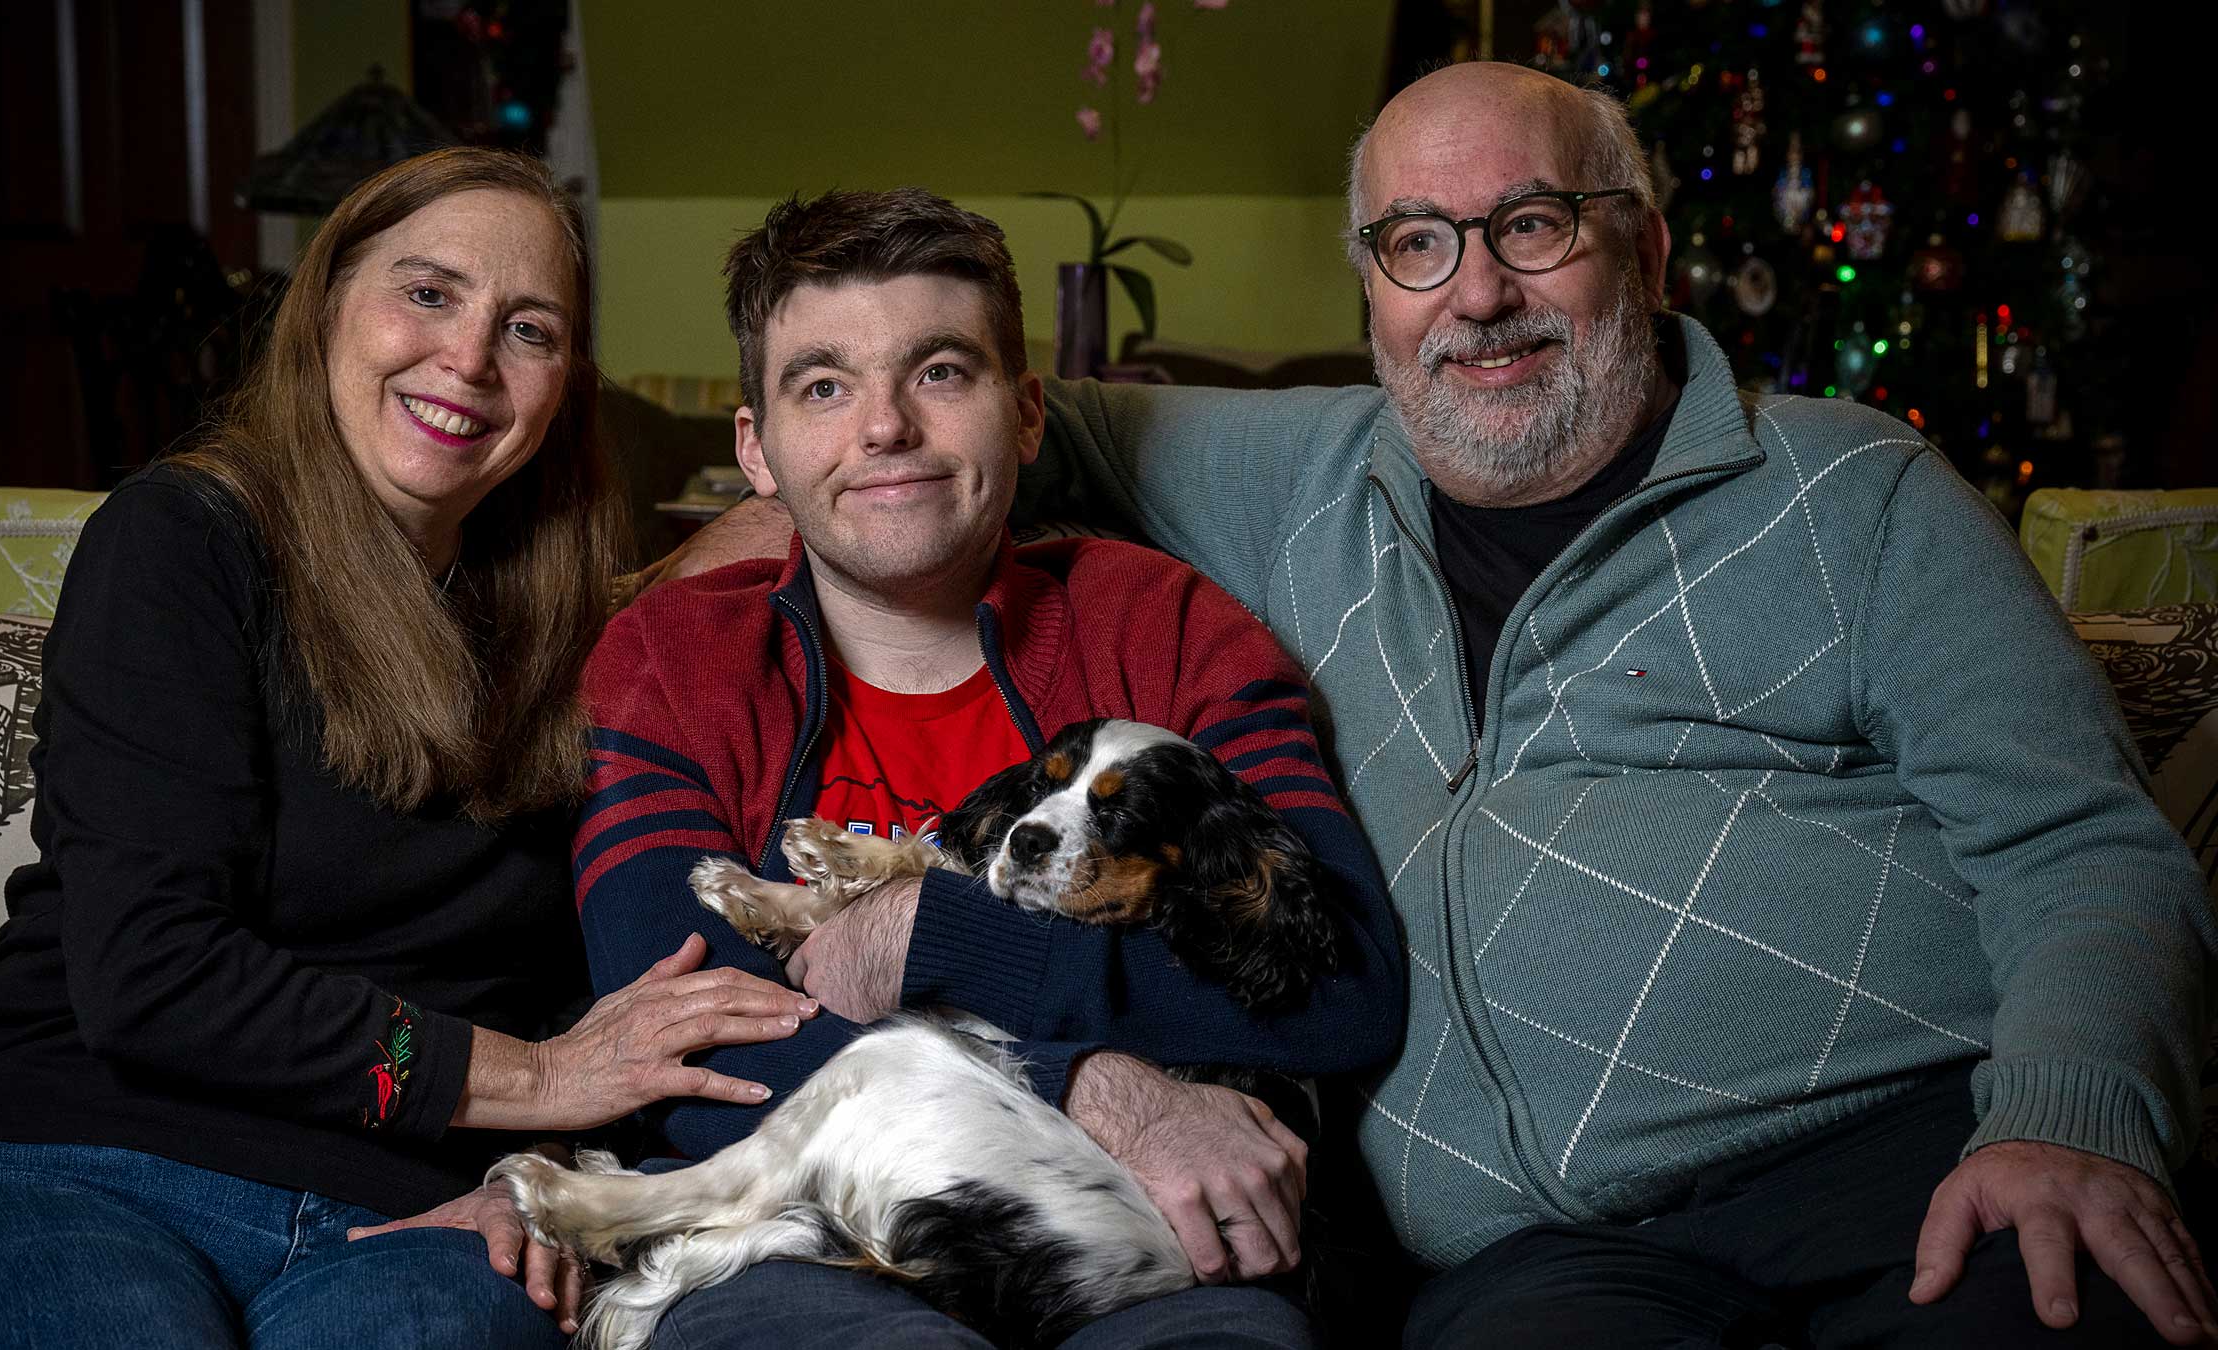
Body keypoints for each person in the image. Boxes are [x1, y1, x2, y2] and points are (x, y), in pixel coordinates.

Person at [662, 65, 2218, 1349]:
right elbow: (927, 430)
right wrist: (712, 565)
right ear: (1374, 286)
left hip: (1918, 1168)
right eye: (1416, 242)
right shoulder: (1303, 476)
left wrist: (2071, 1117)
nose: (1474, 291)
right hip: (1538, 1266)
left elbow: (2087, 848)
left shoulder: (1851, 489)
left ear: (1650, 254)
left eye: (1531, 225)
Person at [0, 148, 820, 1350]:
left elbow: (596, 985)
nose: (468, 360)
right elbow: (154, 975)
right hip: (67, 1161)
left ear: (568, 386)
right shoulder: (183, 541)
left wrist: (536, 1166)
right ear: (329, 304)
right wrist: (544, 1080)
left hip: (409, 1219)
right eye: (428, 293)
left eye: (530, 329)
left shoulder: (586, 641)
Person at [572, 187, 1408, 1349]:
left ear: (1024, 414)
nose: (884, 430)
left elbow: (1346, 985)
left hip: (1161, 1249)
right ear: (756, 448)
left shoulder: (1167, 628)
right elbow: (679, 1043)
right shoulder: (674, 660)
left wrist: (933, 944)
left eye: (940, 372)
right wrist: (1086, 1079)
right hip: (792, 1246)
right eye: (824, 385)